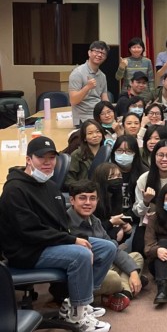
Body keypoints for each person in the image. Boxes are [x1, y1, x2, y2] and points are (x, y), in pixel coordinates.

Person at [0, 136, 116, 331]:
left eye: (52, 158)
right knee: (81, 254)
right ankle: (77, 317)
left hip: (50, 242)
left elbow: (61, 224)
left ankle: (75, 303)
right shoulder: (14, 190)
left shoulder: (50, 186)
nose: (48, 163)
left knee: (107, 248)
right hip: (27, 251)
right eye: (41, 158)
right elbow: (29, 232)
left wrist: (73, 238)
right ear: (28, 160)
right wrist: (72, 240)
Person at [67, 180, 145, 312]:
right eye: (82, 198)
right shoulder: (65, 221)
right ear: (72, 200)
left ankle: (122, 293)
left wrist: (133, 272)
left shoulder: (95, 220)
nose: (88, 202)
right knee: (114, 278)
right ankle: (126, 288)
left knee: (136, 257)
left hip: (106, 265)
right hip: (87, 274)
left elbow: (113, 249)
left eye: (92, 198)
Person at [69, 40, 110, 126]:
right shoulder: (78, 73)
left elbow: (104, 99)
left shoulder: (102, 76)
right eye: (96, 51)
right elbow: (73, 101)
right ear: (89, 53)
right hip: (83, 118)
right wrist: (87, 87)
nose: (99, 55)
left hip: (99, 116)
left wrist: (111, 113)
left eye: (103, 53)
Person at [110, 134, 147, 217]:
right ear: (114, 152)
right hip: (112, 218)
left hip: (136, 218)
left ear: (135, 153)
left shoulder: (144, 173)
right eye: (119, 150)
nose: (124, 154)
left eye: (129, 151)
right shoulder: (107, 171)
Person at [66, 119, 105, 189]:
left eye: (98, 132)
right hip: (84, 191)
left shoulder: (107, 152)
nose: (95, 135)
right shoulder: (77, 155)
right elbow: (69, 179)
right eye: (90, 133)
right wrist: (81, 188)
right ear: (84, 138)